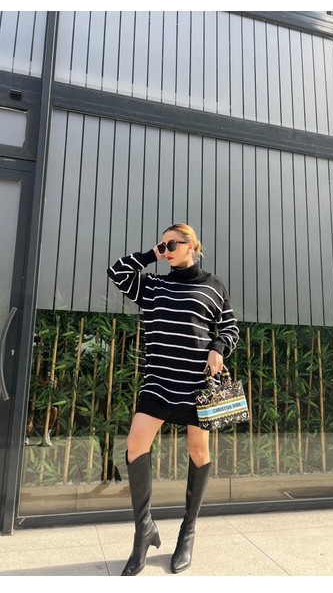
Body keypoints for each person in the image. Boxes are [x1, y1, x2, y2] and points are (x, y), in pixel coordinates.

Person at [107, 223, 239, 576]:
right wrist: (151, 254)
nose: (166, 250)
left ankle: (187, 531)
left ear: (192, 246)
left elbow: (230, 327)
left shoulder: (214, 286)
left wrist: (218, 347)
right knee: (135, 445)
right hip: (158, 380)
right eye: (162, 245)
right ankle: (144, 531)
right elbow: (117, 272)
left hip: (197, 383)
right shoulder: (153, 286)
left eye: (172, 244)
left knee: (198, 452)